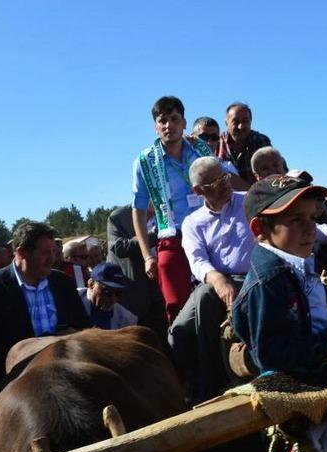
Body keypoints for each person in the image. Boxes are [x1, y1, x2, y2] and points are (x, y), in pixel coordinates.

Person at [232, 175, 327, 374]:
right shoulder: (269, 282)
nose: (310, 229)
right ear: (260, 229)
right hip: (309, 370)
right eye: (296, 220)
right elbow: (270, 354)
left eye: (313, 218)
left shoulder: (299, 264)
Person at [0, 222, 89, 397]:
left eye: (54, 252)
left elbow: (84, 328)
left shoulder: (64, 283)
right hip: (16, 393)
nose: (53, 259)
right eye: (46, 253)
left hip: (68, 384)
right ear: (22, 252)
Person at [170, 157, 255, 404]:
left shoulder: (249, 200)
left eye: (225, 177)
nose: (225, 184)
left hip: (252, 278)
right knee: (178, 331)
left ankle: (213, 383)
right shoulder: (192, 222)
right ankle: (192, 385)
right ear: (199, 191)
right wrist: (217, 278)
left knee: (206, 298)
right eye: (216, 181)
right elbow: (197, 260)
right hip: (213, 280)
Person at [131, 96, 212, 324]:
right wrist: (147, 256)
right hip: (172, 238)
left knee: (217, 295)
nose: (169, 125)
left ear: (184, 123)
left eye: (174, 119)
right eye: (162, 120)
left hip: (208, 233)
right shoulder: (145, 161)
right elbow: (138, 210)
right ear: (156, 127)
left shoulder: (201, 149)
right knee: (177, 308)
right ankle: (183, 355)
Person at [106, 205, 166, 342]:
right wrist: (153, 235)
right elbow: (118, 247)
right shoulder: (119, 217)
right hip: (137, 295)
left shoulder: (168, 210)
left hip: (164, 290)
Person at [217, 102, 273, 188]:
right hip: (224, 198)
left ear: (250, 121)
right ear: (226, 123)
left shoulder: (261, 141)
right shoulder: (216, 142)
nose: (241, 126)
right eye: (235, 122)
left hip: (257, 198)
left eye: (245, 121)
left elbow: (276, 172)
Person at [77, 262, 137, 330]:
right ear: (91, 284)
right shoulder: (71, 300)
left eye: (118, 293)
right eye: (107, 292)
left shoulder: (127, 321)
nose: (113, 299)